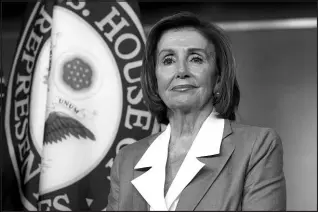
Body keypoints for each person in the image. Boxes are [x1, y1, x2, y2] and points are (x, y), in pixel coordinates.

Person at [107, 12, 286, 211]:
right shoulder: (127, 160)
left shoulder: (257, 147)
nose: (181, 71)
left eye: (196, 59)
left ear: (218, 78)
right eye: (168, 60)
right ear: (154, 79)